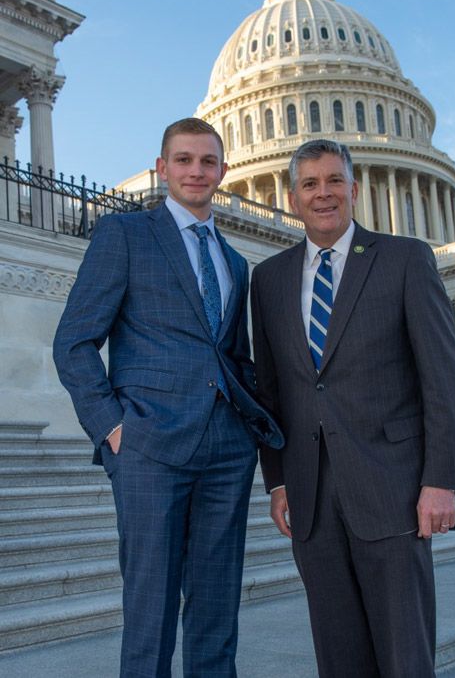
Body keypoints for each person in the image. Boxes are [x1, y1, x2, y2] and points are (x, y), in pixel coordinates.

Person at [53, 117, 283, 677]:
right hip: (149, 446)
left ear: (223, 172)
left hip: (226, 450)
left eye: (207, 161)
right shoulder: (125, 235)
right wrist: (113, 426)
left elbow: (232, 356)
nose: (195, 171)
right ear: (162, 168)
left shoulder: (233, 262)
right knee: (150, 606)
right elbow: (74, 342)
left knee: (216, 606)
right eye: (183, 160)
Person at [250, 139, 455, 678]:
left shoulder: (404, 258)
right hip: (311, 499)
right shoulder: (270, 278)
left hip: (392, 489)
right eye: (310, 184)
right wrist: (277, 482)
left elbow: (442, 380)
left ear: (355, 188)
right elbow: (270, 391)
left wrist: (440, 480)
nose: (323, 194)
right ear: (292, 197)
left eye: (333, 181)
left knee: (404, 654)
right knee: (337, 653)